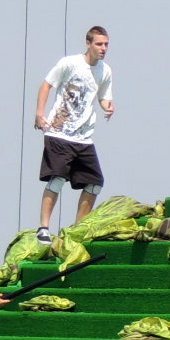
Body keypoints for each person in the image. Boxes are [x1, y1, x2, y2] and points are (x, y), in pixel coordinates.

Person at [33, 26, 115, 243]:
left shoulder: (105, 71)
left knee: (95, 183)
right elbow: (46, 85)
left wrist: (108, 106)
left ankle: (77, 231)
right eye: (99, 44)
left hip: (83, 138)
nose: (103, 48)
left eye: (106, 44)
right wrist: (39, 114)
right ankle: (43, 228)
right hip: (59, 134)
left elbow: (103, 96)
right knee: (58, 179)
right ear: (88, 44)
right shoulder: (69, 63)